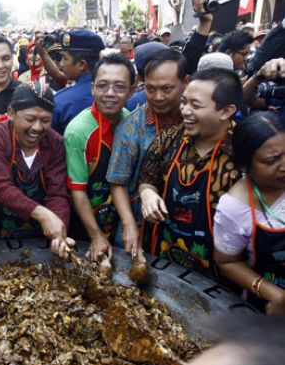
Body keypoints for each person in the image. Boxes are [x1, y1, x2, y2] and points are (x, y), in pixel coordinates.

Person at [138, 68, 242, 278]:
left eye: (195, 105)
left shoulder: (243, 150)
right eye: (184, 102)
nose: (185, 110)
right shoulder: (169, 139)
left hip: (219, 269)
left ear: (226, 111)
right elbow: (147, 179)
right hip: (163, 251)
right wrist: (147, 194)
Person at [106, 48, 188, 256]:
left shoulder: (196, 120)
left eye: (167, 89)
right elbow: (117, 182)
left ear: (185, 82)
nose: (158, 97)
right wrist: (129, 224)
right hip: (139, 225)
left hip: (184, 228)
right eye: (150, 89)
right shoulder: (132, 126)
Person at [0, 81, 72, 259]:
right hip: (0, 232)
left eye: (45, 120)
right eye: (30, 119)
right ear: (11, 113)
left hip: (41, 236)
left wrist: (59, 229)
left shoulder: (55, 143)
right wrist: (44, 215)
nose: (37, 127)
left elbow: (57, 193)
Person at [64, 54, 136, 261]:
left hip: (119, 221)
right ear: (92, 88)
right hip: (86, 227)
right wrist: (95, 235)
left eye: (120, 87)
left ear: (132, 90)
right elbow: (76, 191)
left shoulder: (130, 120)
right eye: (102, 86)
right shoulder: (78, 131)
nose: (110, 94)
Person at [214, 112, 285, 312]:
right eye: (272, 161)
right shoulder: (234, 207)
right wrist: (273, 294)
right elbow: (227, 262)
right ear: (245, 165)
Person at [52, 30, 105, 135]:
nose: (61, 64)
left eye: (65, 58)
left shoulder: (61, 101)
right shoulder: (117, 93)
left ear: (81, 64)